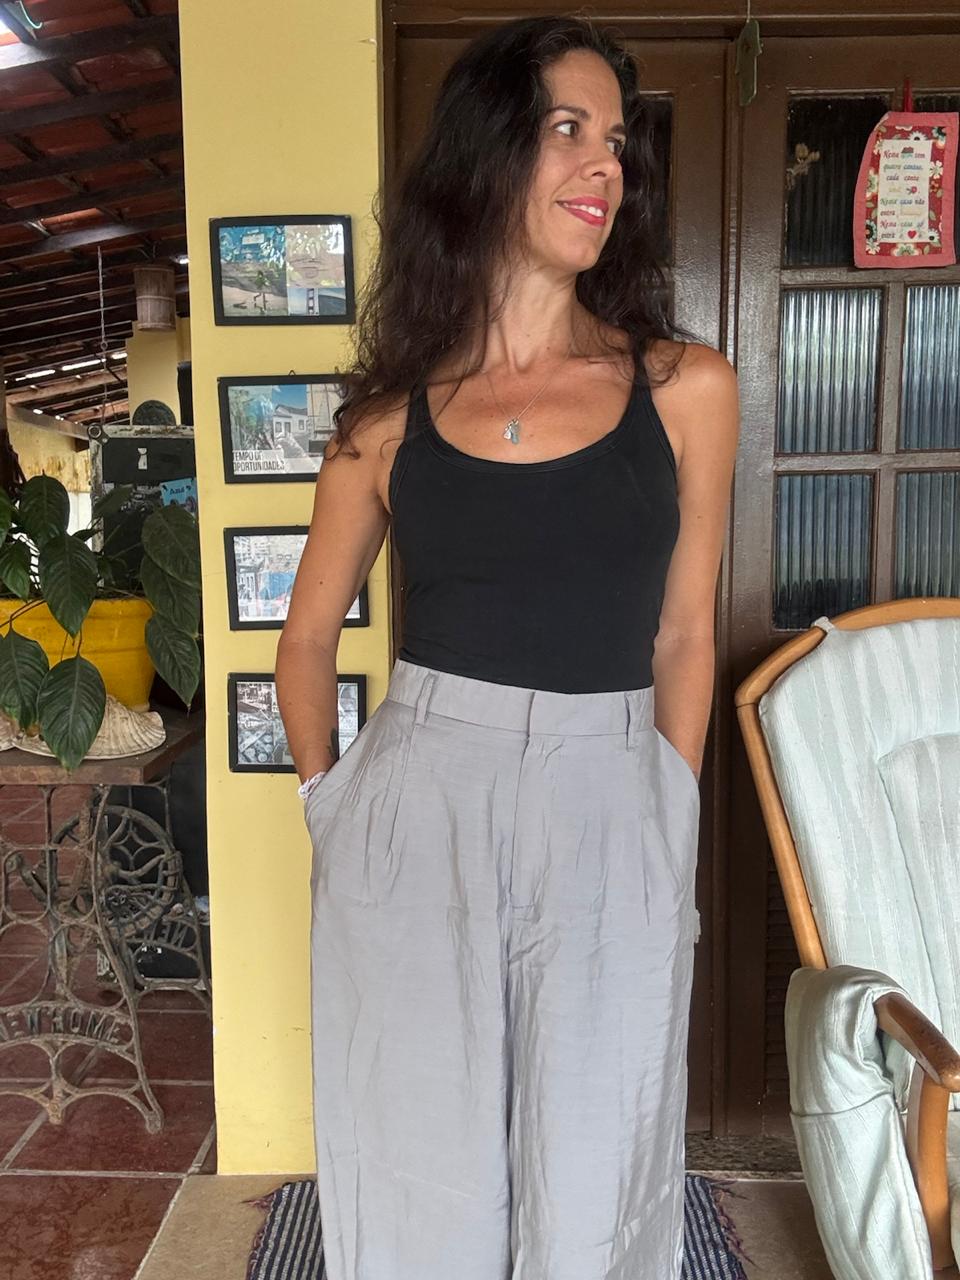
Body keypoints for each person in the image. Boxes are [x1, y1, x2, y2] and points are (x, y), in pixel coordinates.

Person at [275, 14, 739, 1280]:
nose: (605, 166)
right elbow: (305, 638)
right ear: (487, 155)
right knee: (417, 1154)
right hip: (419, 799)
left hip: (613, 794)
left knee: (598, 1162)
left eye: (616, 141)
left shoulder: (686, 388)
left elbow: (685, 630)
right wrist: (331, 806)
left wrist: (669, 802)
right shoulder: (388, 422)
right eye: (566, 129)